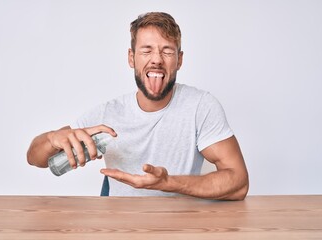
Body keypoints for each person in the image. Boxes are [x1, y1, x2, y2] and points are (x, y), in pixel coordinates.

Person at [27, 12, 249, 200]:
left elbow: (238, 183)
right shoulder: (108, 113)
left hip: (178, 224)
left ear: (179, 60)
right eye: (146, 50)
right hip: (119, 223)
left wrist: (169, 183)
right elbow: (35, 159)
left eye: (167, 51)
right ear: (131, 58)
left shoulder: (201, 106)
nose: (157, 59)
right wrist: (51, 139)